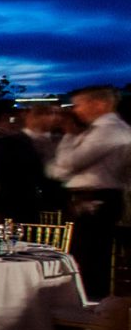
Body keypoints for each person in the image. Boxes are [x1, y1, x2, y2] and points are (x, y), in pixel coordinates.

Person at [55, 85, 128, 290]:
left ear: (99, 104)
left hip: (96, 199)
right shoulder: (100, 131)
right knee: (86, 255)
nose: (75, 110)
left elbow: (68, 163)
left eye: (78, 105)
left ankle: (87, 301)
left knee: (89, 258)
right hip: (94, 198)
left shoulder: (108, 131)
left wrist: (69, 135)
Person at [0, 100, 59, 223]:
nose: (53, 119)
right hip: (13, 210)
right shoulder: (5, 144)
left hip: (46, 210)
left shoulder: (57, 142)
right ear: (31, 117)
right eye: (47, 114)